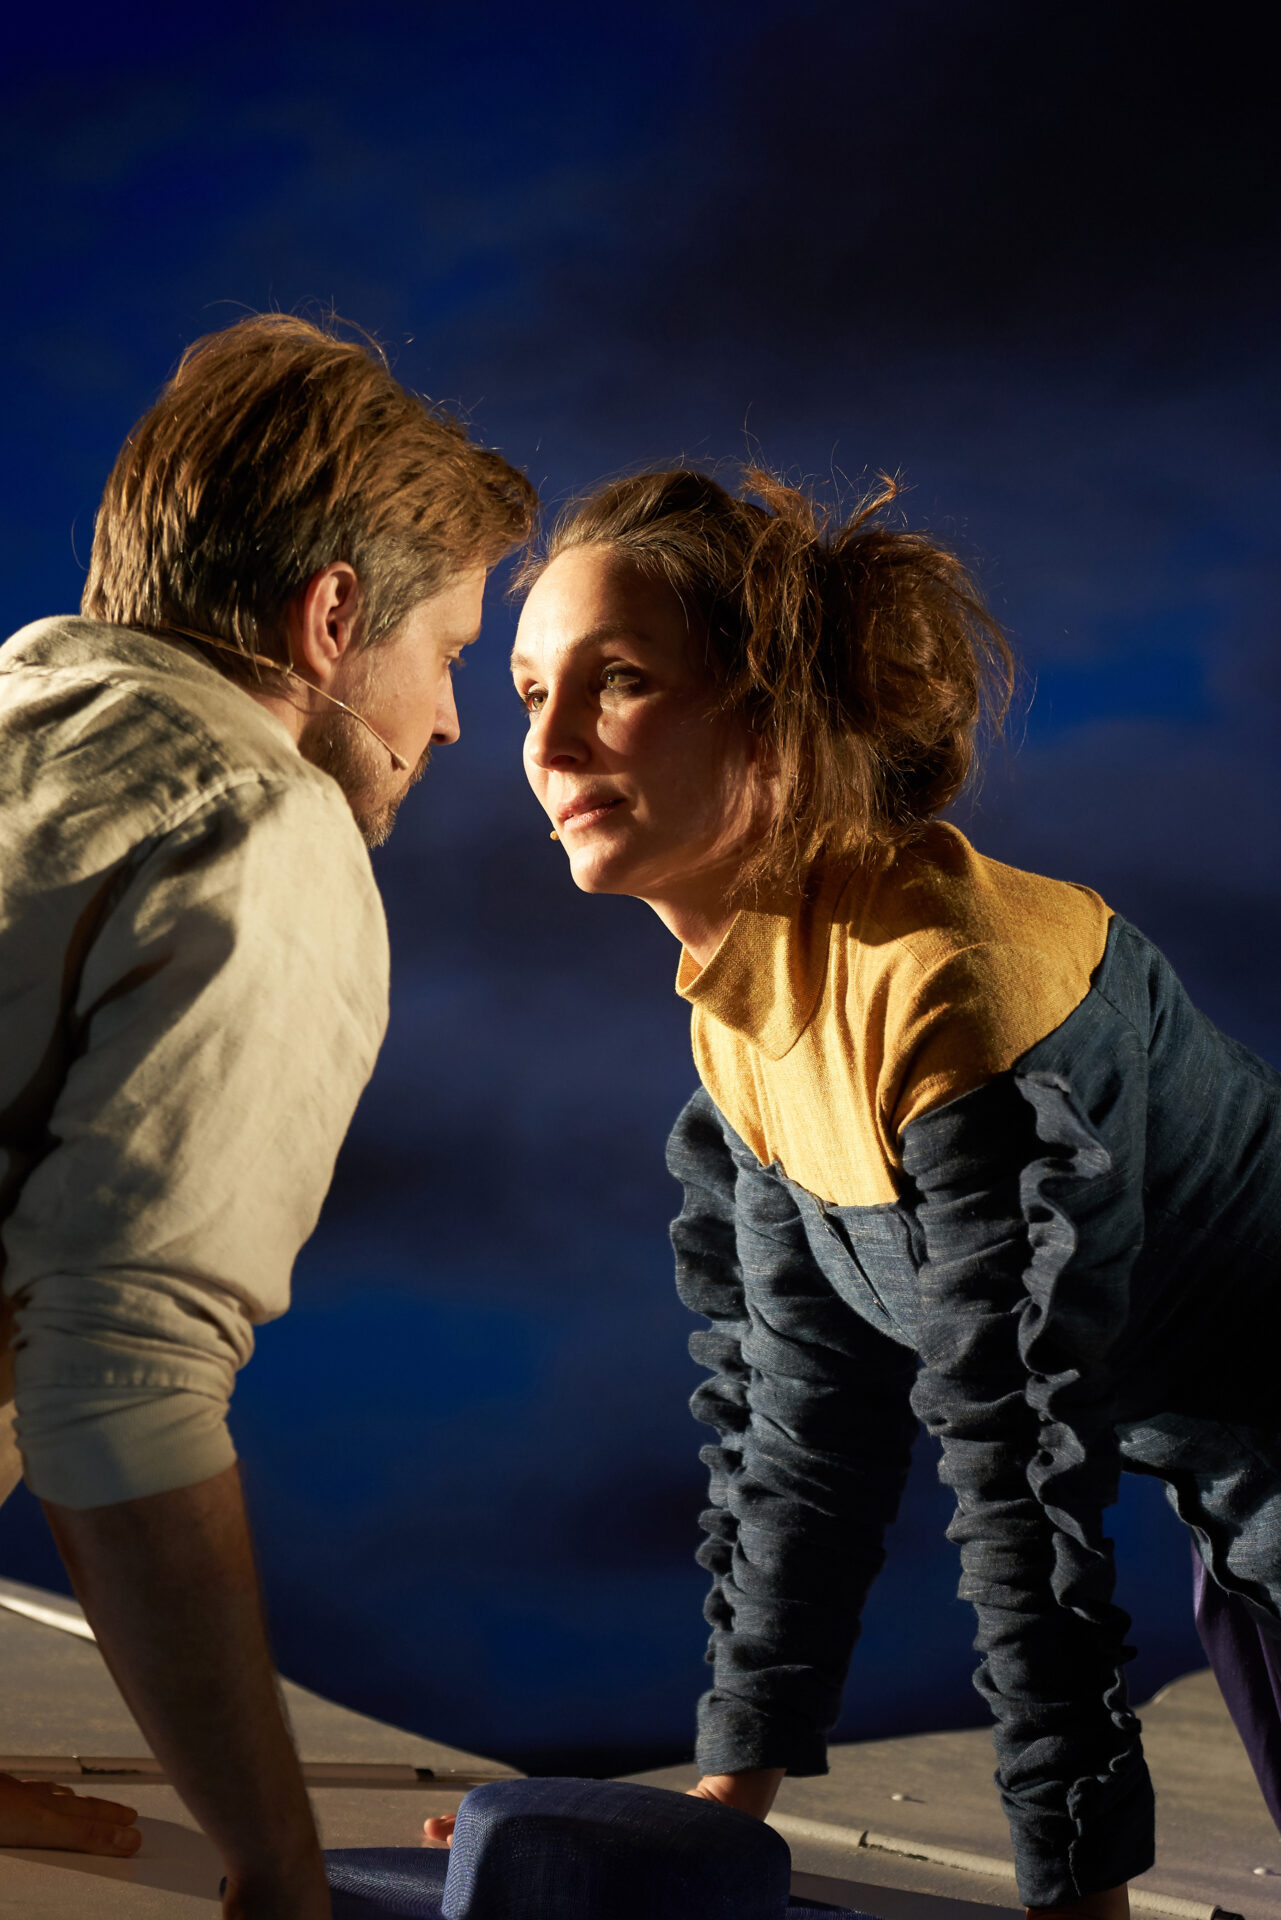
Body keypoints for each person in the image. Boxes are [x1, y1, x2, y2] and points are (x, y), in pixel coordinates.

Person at [433, 467, 1280, 1915]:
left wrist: (1074, 1884)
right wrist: (725, 1794)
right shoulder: (753, 1009)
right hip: (1242, 1517)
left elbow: (1019, 1469)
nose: (550, 744)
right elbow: (805, 1426)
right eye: (527, 692)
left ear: (773, 717)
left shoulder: (956, 989)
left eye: (619, 681)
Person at [0, 314, 535, 1917]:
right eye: (450, 655)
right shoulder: (261, 829)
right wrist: (279, 1865)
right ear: (332, 617)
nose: (453, 722)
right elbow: (123, 1383)